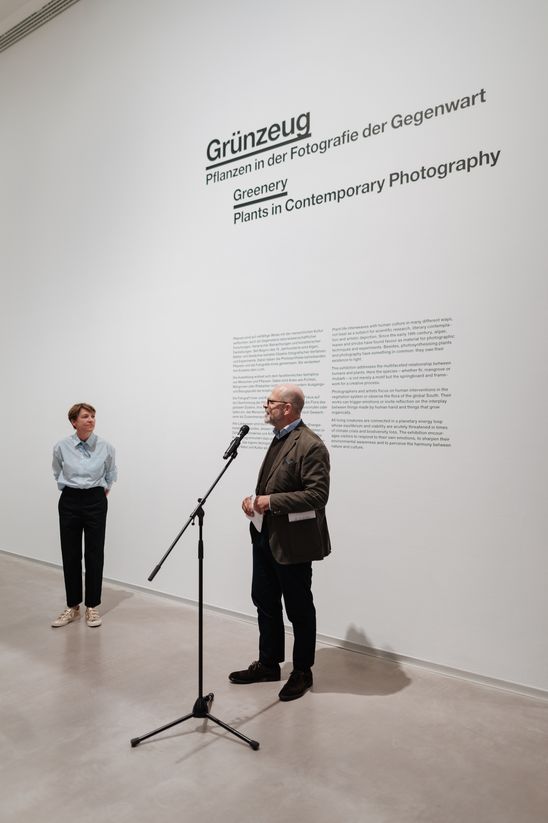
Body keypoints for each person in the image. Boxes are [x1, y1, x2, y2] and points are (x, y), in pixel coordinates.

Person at [229, 383, 331, 701]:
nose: (265, 406)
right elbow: (275, 487)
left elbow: (317, 495)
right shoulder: (278, 439)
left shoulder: (310, 445)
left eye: (270, 402)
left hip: (293, 544)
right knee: (265, 601)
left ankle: (302, 671)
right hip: (265, 537)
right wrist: (254, 501)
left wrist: (269, 501)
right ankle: (269, 664)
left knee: (299, 608)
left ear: (287, 408)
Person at [51, 403, 117, 628]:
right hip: (69, 501)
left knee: (94, 553)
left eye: (93, 416)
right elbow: (57, 470)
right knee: (70, 554)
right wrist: (73, 488)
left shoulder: (105, 446)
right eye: (85, 416)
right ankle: (73, 607)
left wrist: (100, 490)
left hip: (95, 501)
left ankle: (92, 606)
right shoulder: (61, 446)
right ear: (74, 422)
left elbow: (111, 473)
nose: (91, 420)